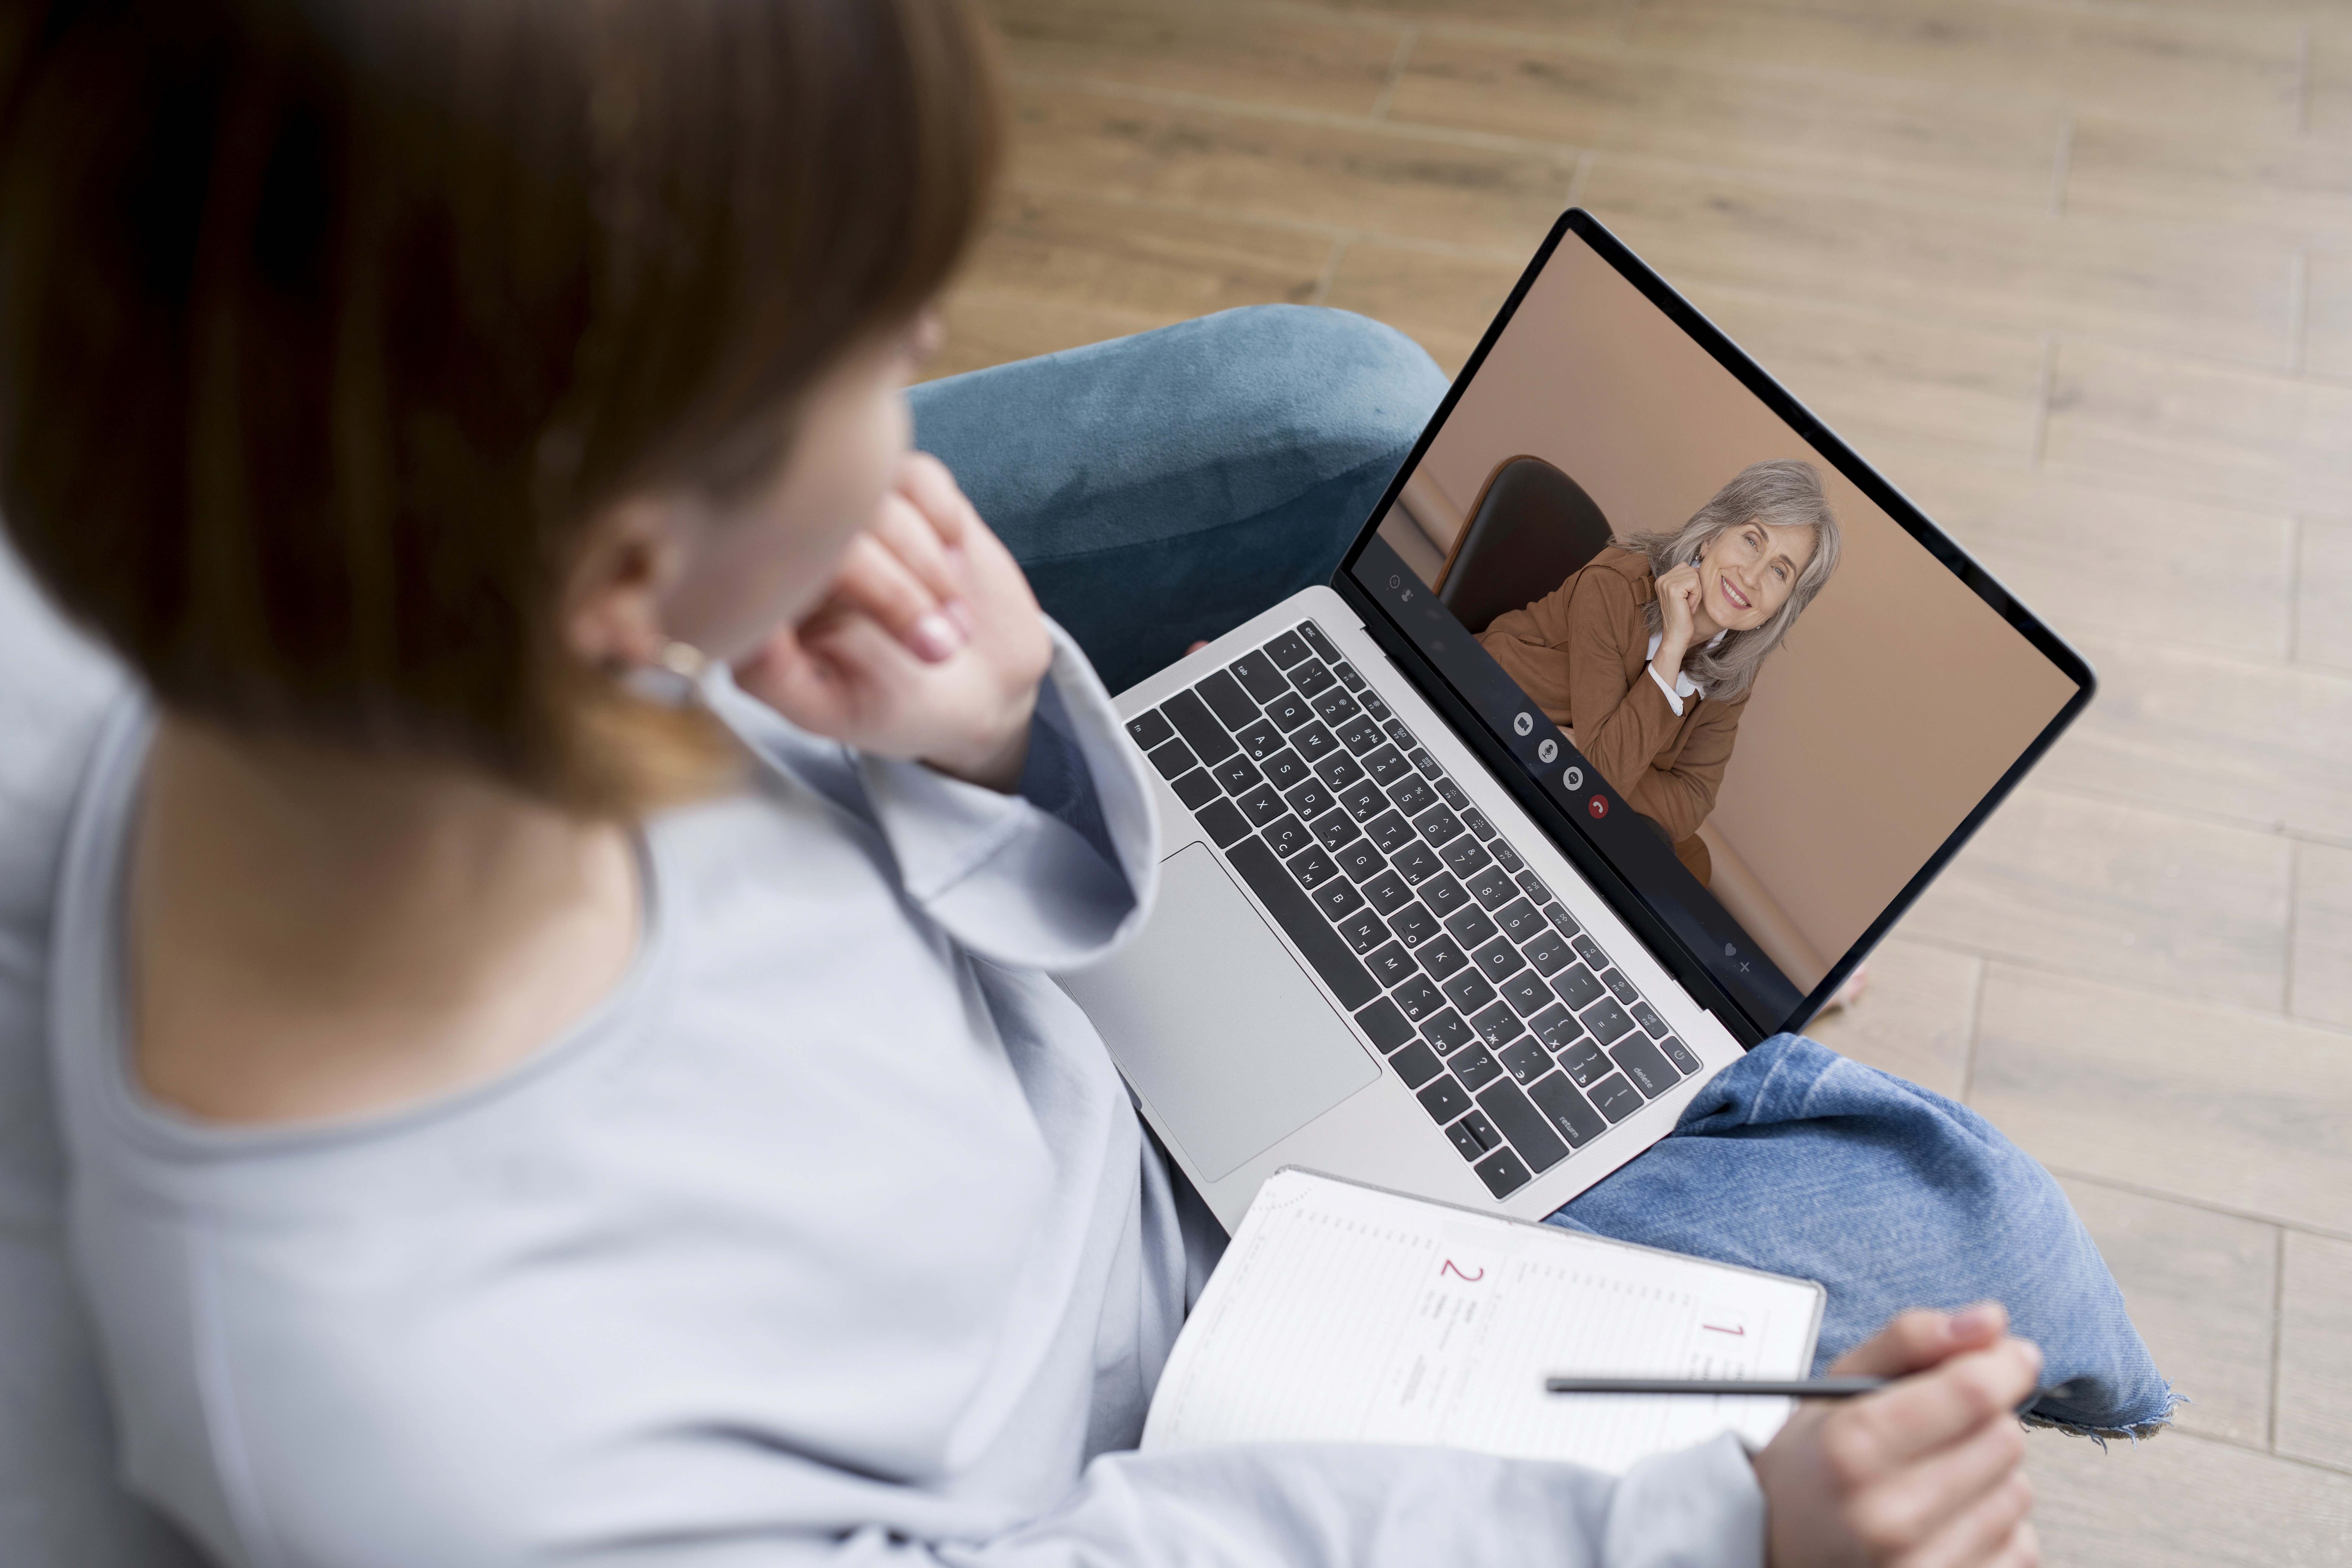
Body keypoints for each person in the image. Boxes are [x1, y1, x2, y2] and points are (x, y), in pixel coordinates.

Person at [0, 2, 2075, 1564]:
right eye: (873, 346)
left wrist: (996, 728)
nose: (927, 336)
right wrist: (1714, 1529)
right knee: (1985, 1258)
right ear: (624, 556)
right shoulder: (445, 1441)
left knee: (1762, 1069)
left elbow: (866, 947)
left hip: (1098, 1110)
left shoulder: (365, 635)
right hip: (1156, 1432)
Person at [1478, 461, 1841, 886]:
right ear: (1711, 536)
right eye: (1751, 540)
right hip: (1487, 718)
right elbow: (1594, 777)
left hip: (1557, 789)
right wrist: (1671, 648)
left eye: (1780, 571)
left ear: (1783, 607)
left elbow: (1692, 803)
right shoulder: (1616, 586)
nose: (1752, 575)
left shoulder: (1733, 671)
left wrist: (1586, 754)